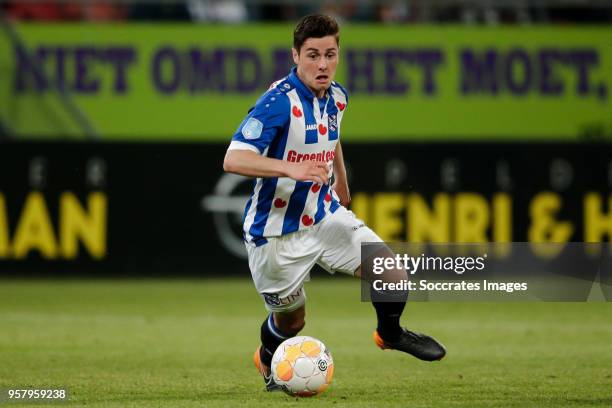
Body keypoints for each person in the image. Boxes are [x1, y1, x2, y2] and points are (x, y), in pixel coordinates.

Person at [223, 14, 446, 391]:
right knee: (293, 322)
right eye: (312, 55)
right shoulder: (276, 103)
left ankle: (390, 334)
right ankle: (266, 355)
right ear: (296, 55)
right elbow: (233, 159)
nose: (322, 64)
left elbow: (332, 134)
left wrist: (341, 179)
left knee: (391, 272)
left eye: (330, 54)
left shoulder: (337, 96)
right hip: (275, 235)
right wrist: (289, 170)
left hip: (323, 215)